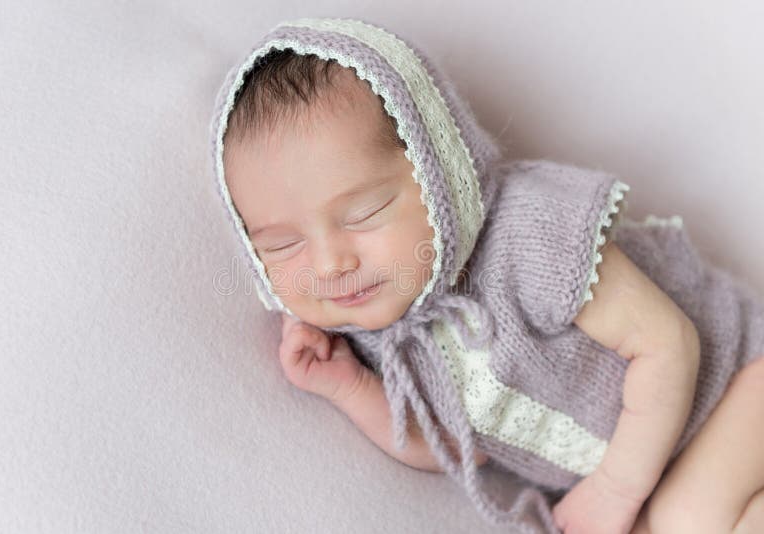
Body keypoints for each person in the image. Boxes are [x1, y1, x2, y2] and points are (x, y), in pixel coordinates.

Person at [210, 17, 764, 533]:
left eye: (364, 214)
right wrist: (350, 387)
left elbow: (668, 344)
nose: (331, 263)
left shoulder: (530, 236)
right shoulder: (386, 340)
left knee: (686, 517)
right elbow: (461, 448)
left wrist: (615, 488)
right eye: (283, 245)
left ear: (440, 171)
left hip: (740, 380)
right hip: (664, 461)